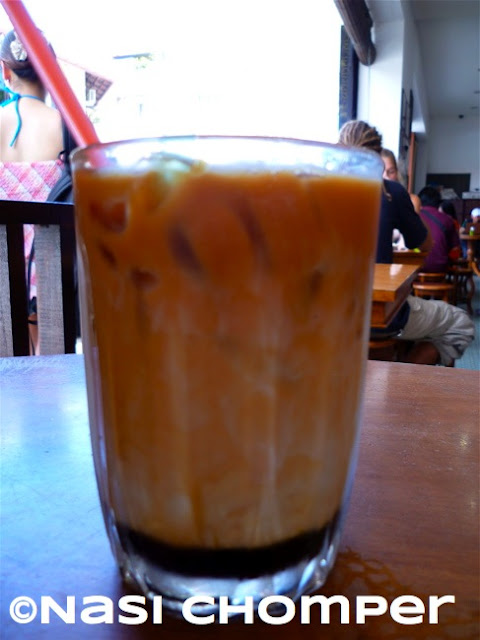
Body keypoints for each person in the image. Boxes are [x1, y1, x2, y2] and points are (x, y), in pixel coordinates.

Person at [338, 120, 474, 366]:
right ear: (378, 159)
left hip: (329, 312)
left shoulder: (320, 190)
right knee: (460, 324)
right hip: (377, 313)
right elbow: (424, 245)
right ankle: (401, 379)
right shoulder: (391, 192)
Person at [1, 29, 65, 353]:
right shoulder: (65, 124)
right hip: (53, 277)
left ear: (5, 71)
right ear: (50, 70)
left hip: (3, 276)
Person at [418, 185, 461, 272]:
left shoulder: (414, 217)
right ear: (439, 203)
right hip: (440, 269)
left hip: (416, 268)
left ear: (419, 202)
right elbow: (455, 249)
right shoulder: (447, 219)